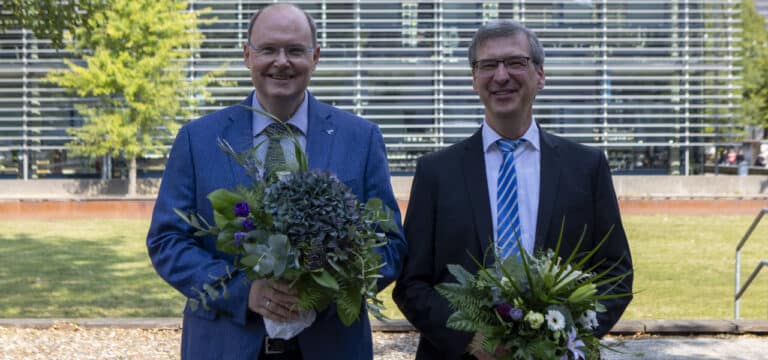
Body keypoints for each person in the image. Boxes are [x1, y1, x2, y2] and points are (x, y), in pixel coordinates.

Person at [146, 4, 406, 359]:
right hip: (226, 345)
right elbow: (167, 240)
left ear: (315, 57)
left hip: (331, 345)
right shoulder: (198, 140)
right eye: (268, 49)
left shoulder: (360, 139)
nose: (281, 62)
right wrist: (242, 291)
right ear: (247, 55)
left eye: (295, 50)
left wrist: (325, 288)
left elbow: (389, 243)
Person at [393, 20, 633, 359]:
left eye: (515, 62)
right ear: (474, 80)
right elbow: (410, 284)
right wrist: (473, 340)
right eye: (488, 65)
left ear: (540, 75)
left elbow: (615, 273)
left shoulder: (586, 167)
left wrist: (561, 339)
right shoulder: (435, 172)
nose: (501, 76)